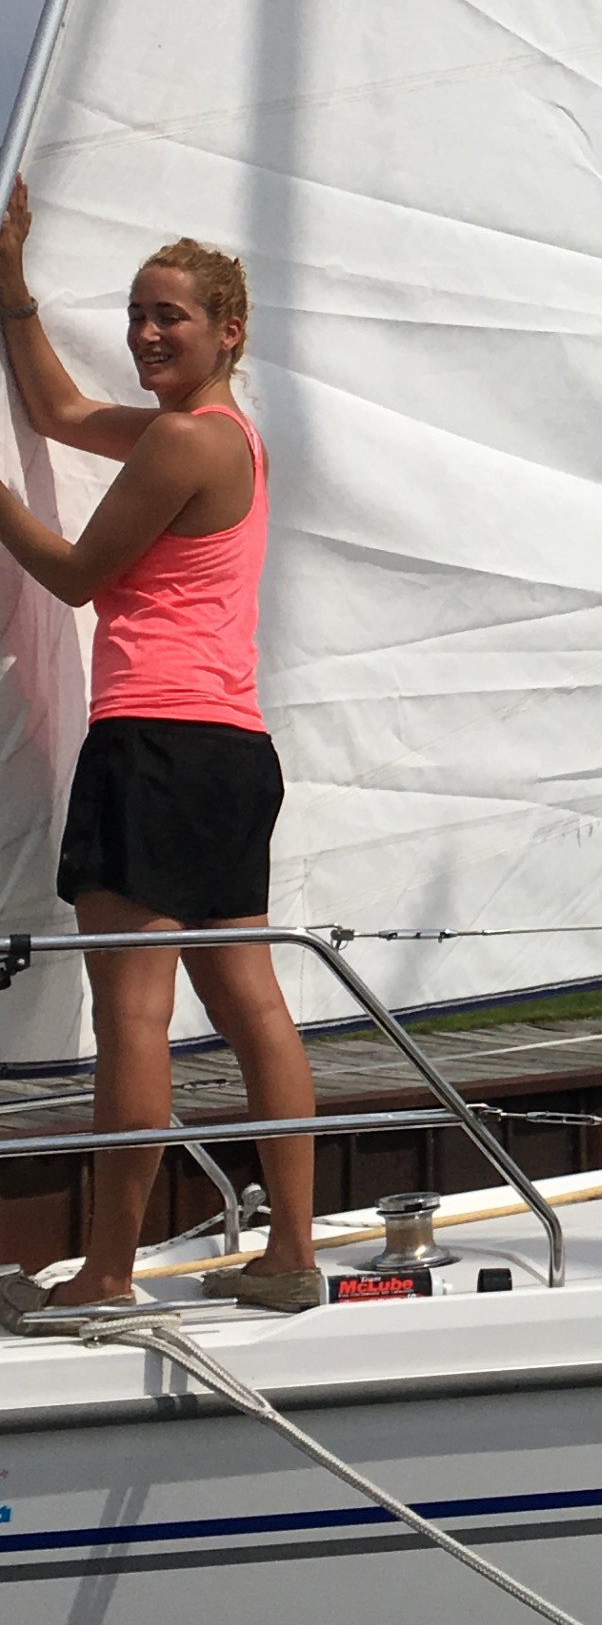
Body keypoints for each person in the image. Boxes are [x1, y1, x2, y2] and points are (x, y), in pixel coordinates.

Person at [0, 180, 321, 1322]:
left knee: (133, 1021)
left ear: (229, 329)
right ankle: (290, 1252)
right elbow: (58, 415)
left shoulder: (186, 442)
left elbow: (79, 575)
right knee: (253, 1010)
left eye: (168, 316)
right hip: (231, 752)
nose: (144, 332)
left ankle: (105, 1270)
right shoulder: (224, 438)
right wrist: (16, 296)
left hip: (153, 744)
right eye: (138, 312)